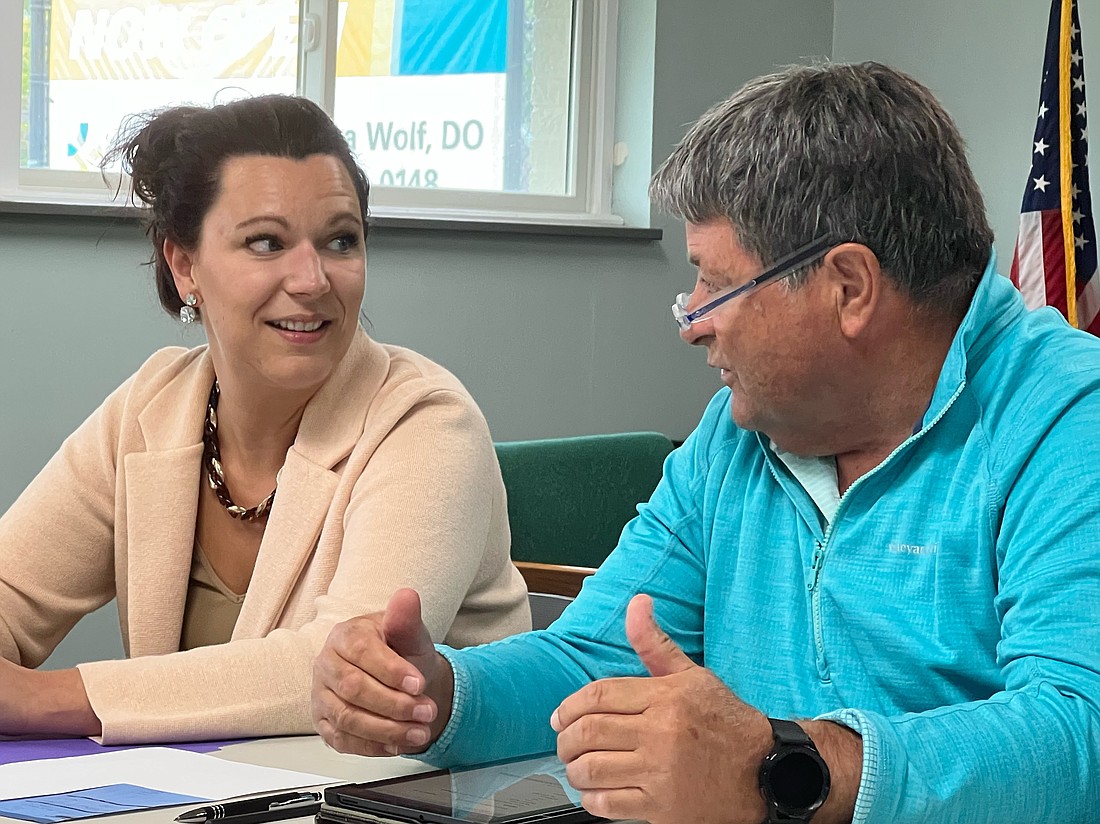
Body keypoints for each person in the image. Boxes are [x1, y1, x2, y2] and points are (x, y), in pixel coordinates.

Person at [310, 61, 1100, 824]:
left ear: (849, 288)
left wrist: (782, 767)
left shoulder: (1069, 416)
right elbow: (595, 660)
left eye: (714, 283)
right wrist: (437, 695)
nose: (692, 322)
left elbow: (1077, 736)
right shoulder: (740, 433)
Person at [0, 94, 530, 745]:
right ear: (185, 264)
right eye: (266, 242)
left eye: (341, 240)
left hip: (410, 804)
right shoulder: (151, 408)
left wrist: (43, 698)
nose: (311, 279)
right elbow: (9, 586)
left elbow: (346, 668)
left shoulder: (427, 422)